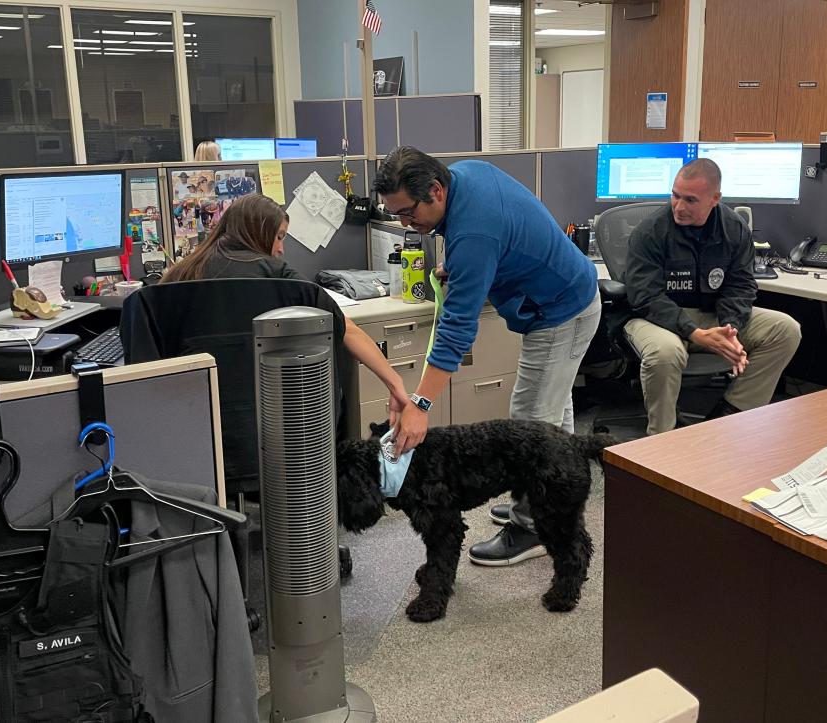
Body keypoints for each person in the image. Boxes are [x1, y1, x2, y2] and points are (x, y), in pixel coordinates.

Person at [372, 146, 602, 566]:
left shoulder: (475, 234)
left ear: (436, 191)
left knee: (532, 416)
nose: (406, 224)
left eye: (407, 212)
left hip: (560, 310)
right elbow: (495, 237)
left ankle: (530, 526)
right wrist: (462, 265)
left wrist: (420, 404)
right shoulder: (464, 176)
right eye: (397, 214)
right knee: (553, 416)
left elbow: (458, 328)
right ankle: (550, 501)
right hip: (563, 294)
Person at [161, 193, 410, 424]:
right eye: (279, 237)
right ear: (257, 233)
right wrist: (395, 382)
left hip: (193, 418)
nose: (281, 249)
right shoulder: (280, 279)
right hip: (272, 422)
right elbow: (347, 329)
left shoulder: (180, 275)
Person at [623, 158, 802, 436]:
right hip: (654, 318)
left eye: (690, 200)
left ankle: (729, 419)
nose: (679, 207)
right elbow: (645, 296)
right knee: (665, 353)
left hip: (711, 317)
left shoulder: (733, 228)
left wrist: (731, 329)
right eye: (675, 196)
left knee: (786, 330)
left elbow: (740, 286)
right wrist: (694, 332)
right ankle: (661, 440)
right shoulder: (651, 231)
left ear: (714, 199)